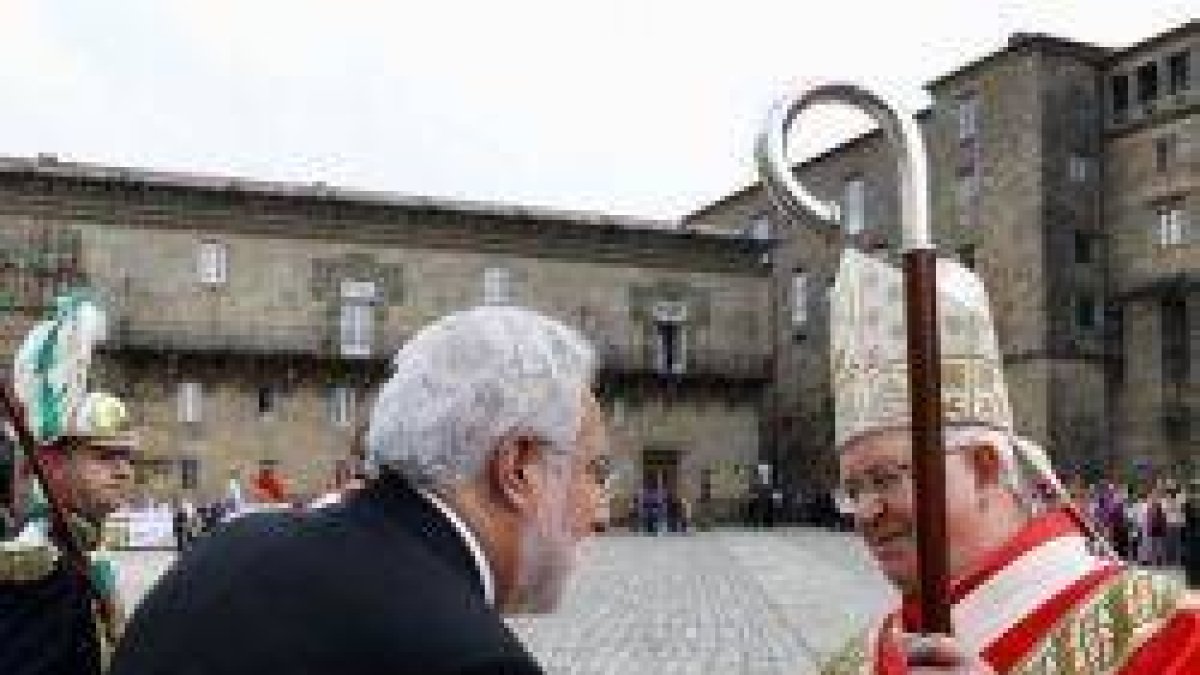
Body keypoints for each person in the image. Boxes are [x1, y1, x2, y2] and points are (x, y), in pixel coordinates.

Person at [111, 306, 610, 675]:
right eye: (594, 471)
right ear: (519, 468)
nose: (601, 513)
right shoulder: (475, 661)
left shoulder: (235, 543)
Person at [820, 249, 1198, 674]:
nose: (867, 512)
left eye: (885, 479)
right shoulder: (857, 662)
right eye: (852, 490)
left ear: (985, 465)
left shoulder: (1164, 629)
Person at [0, 392, 138, 675]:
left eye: (126, 457)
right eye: (104, 457)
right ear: (54, 465)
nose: (123, 471)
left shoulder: (85, 547)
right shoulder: (41, 564)